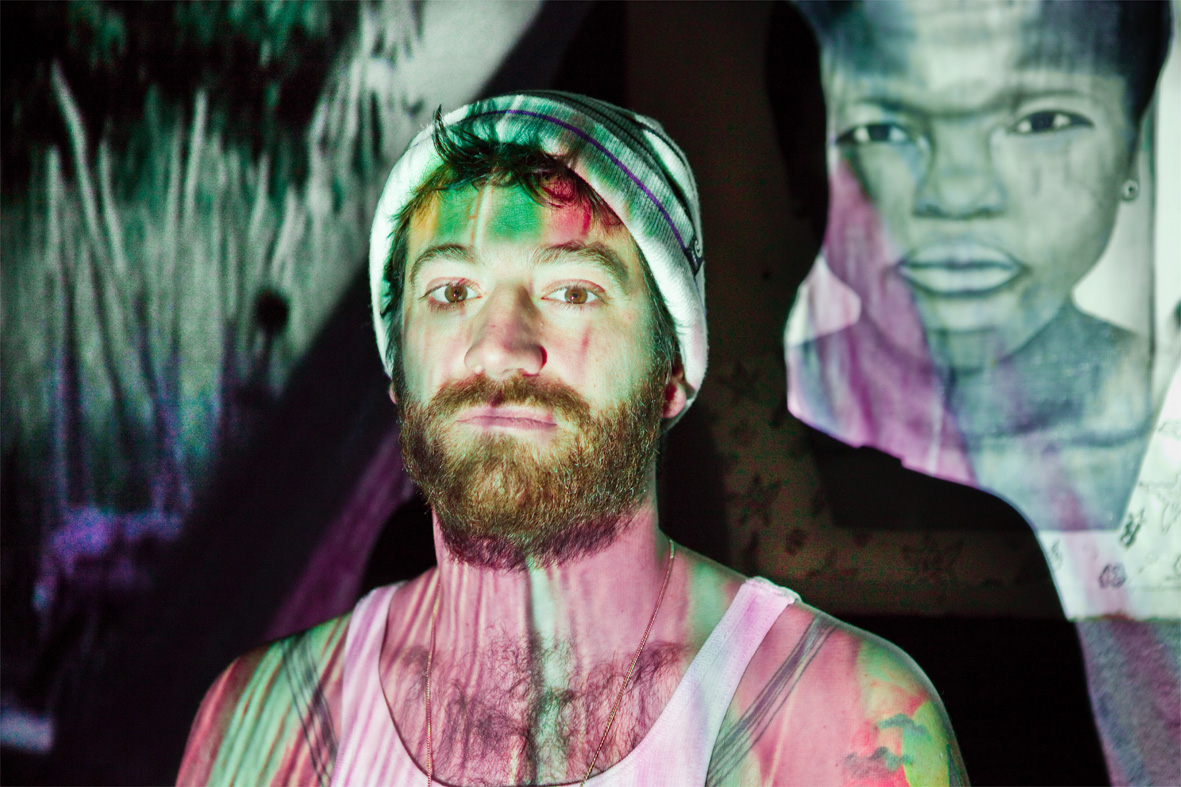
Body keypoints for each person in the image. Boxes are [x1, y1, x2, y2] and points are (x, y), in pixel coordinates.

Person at [178, 92, 965, 786]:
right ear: (398, 370)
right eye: (451, 290)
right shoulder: (265, 722)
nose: (499, 346)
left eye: (572, 290)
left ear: (671, 370)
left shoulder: (842, 718)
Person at [785, 0, 1171, 535]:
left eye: (1041, 121)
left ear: (1134, 150)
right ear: (802, 167)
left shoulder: (1167, 417)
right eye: (882, 130)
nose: (957, 195)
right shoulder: (744, 424)